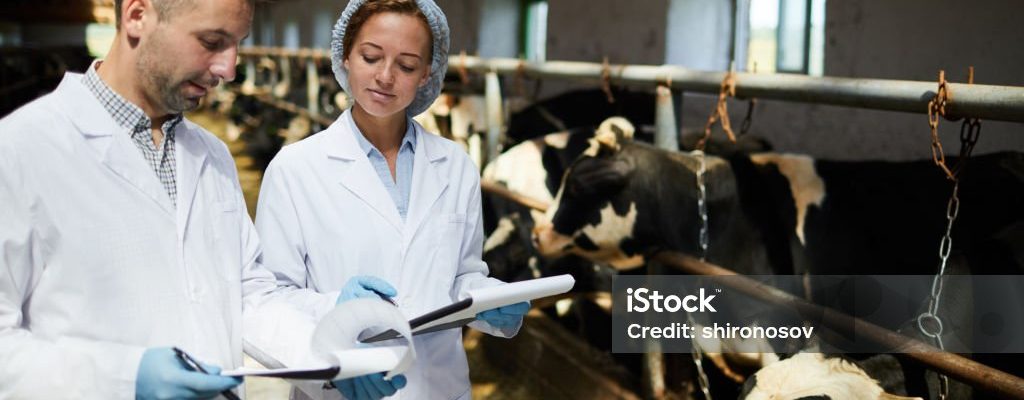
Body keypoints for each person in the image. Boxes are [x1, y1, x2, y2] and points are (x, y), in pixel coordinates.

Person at [0, 0, 350, 398]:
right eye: (212, 41)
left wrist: (330, 356)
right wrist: (124, 379)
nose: (228, 69)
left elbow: (248, 297)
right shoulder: (18, 151)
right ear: (137, 16)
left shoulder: (213, 155)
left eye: (236, 44)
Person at [254, 0, 530, 399]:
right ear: (345, 55)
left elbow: (461, 275)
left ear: (425, 76)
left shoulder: (455, 165)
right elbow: (272, 297)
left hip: (439, 384)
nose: (385, 76)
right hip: (345, 384)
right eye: (370, 57)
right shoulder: (294, 169)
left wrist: (486, 300)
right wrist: (337, 306)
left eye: (406, 65)